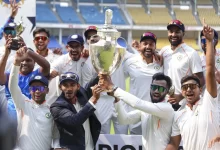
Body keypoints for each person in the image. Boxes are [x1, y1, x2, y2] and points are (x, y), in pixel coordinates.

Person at [166, 19, 220, 150]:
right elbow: (173, 144)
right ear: (182, 92)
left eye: (192, 86)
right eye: (185, 87)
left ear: (200, 88)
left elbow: (210, 70)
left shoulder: (209, 102)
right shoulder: (179, 115)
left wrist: (209, 40)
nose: (189, 90)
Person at [98, 72, 174, 150]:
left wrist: (113, 88)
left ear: (167, 91)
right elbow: (124, 120)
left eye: (161, 88)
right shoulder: (147, 109)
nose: (156, 91)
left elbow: (137, 103)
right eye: (154, 87)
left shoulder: (166, 108)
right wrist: (117, 100)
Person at [8, 47, 57, 150]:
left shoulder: (52, 111)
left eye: (40, 88)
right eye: (34, 88)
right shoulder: (23, 104)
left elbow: (56, 137)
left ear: (47, 90)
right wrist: (16, 63)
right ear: (30, 90)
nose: (37, 91)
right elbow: (12, 86)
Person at [123, 32, 163, 135]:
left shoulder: (162, 63)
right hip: (135, 113)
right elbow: (119, 79)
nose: (148, 47)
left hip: (155, 114)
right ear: (140, 46)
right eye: (145, 43)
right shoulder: (130, 62)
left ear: (155, 47)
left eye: (151, 44)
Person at [0, 39, 50, 120]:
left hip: (31, 118)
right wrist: (6, 53)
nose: (24, 63)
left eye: (28, 60)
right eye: (22, 60)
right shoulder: (11, 75)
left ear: (34, 63)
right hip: (12, 120)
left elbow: (47, 66)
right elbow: (0, 79)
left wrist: (28, 50)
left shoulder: (37, 75)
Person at [50, 72, 102, 150]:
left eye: (72, 85)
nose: (69, 89)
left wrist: (101, 72)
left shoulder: (82, 95)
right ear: (60, 87)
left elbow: (91, 84)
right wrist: (93, 99)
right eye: (65, 85)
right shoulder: (57, 107)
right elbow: (74, 121)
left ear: (78, 86)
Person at [160, 19, 204, 109]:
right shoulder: (164, 51)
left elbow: (200, 80)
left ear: (183, 33)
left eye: (177, 32)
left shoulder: (191, 53)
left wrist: (180, 96)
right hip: (165, 102)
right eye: (171, 32)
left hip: (183, 104)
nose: (173, 35)